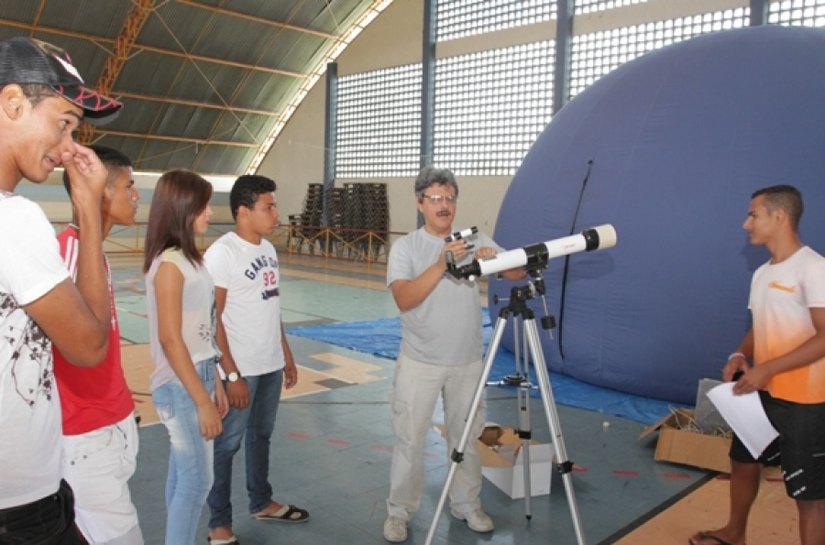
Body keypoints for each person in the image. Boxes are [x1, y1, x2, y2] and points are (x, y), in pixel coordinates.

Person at [0, 36, 123, 544]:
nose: (71, 145)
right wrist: (90, 212)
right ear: (12, 103)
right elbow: (90, 345)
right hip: (22, 507)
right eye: (64, 123)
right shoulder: (15, 220)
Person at [383, 166, 525, 542]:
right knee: (409, 440)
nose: (444, 206)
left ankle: (466, 506)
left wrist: (496, 258)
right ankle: (399, 512)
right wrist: (442, 262)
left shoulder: (474, 238)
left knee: (466, 438)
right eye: (435, 199)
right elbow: (404, 297)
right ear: (420, 203)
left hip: (467, 361)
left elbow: (518, 272)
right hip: (419, 361)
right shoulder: (407, 248)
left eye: (449, 198)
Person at [690, 184, 825, 545]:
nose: (746, 223)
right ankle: (735, 534)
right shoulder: (762, 272)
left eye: (753, 214)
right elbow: (760, 325)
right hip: (761, 394)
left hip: (806, 402)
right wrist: (740, 354)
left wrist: (770, 368)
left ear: (779, 216)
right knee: (743, 462)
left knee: (810, 495)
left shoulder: (813, 268)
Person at [204, 174, 308, 545]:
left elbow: (271, 306)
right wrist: (231, 375)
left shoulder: (267, 249)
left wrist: (286, 354)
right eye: (269, 206)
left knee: (260, 436)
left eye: (274, 205)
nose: (276, 213)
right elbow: (211, 320)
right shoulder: (222, 254)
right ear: (244, 211)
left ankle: (261, 501)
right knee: (226, 446)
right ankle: (218, 523)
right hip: (241, 370)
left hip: (269, 365)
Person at [53, 145, 143, 545]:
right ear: (97, 192)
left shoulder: (93, 253)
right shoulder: (65, 254)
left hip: (114, 422)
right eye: (129, 186)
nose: (136, 195)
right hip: (85, 436)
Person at [143, 169, 228, 545]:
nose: (210, 213)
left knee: (183, 476)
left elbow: (202, 328)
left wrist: (218, 382)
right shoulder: (169, 265)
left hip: (199, 374)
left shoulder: (190, 259)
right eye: (203, 206)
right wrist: (201, 401)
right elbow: (171, 339)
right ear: (182, 208)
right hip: (181, 385)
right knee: (197, 482)